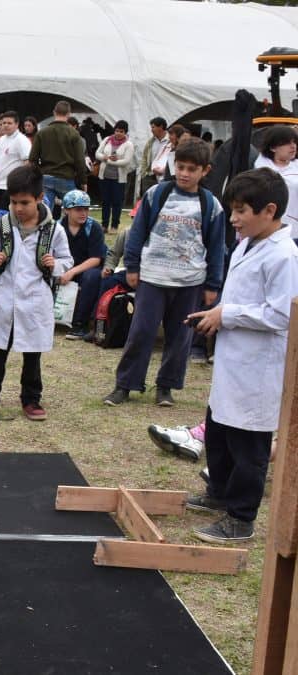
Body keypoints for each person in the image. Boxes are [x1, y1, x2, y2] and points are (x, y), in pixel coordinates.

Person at [184, 167, 298, 542]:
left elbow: (283, 314)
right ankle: (218, 493)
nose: (233, 218)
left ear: (269, 210)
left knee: (249, 446)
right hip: (234, 359)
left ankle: (241, 517)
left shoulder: (284, 256)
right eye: (232, 209)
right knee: (218, 433)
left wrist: (227, 315)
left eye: (240, 210)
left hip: (259, 365)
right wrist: (214, 316)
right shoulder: (249, 242)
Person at [104, 138, 226, 407]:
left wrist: (213, 285)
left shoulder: (211, 205)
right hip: (153, 278)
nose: (184, 173)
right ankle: (125, 384)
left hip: (190, 282)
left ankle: (166, 387)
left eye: (191, 169)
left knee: (180, 338)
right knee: (141, 332)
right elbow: (137, 232)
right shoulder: (156, 194)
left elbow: (217, 247)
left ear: (205, 171)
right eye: (180, 166)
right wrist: (132, 266)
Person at [0, 165, 73, 422]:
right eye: (14, 202)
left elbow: (67, 260)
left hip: (34, 300)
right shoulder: (2, 226)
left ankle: (31, 398)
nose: (18, 208)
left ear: (40, 198)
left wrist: (56, 265)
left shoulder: (54, 231)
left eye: (25, 202)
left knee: (32, 355)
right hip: (3, 299)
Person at [56, 190, 106, 340]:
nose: (83, 213)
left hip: (86, 269)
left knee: (92, 277)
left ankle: (80, 324)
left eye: (86, 209)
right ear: (66, 210)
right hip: (62, 266)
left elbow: (96, 258)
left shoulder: (94, 227)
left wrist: (72, 272)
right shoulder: (57, 227)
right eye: (78, 209)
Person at [29, 101, 87, 220]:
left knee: (44, 213)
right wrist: (83, 182)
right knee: (72, 212)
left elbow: (32, 159)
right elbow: (80, 161)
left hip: (46, 177)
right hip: (66, 177)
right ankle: (66, 234)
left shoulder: (42, 133)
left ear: (54, 112)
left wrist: (37, 176)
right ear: (69, 114)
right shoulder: (74, 134)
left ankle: (44, 235)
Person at [253, 125, 298, 228]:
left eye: (294, 142)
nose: (293, 146)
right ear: (273, 147)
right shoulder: (259, 169)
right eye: (287, 143)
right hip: (269, 228)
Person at [0, 110, 32, 211]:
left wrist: (22, 182)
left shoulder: (22, 140)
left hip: (9, 187)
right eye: (4, 123)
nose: (6, 125)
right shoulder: (1, 139)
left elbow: (27, 163)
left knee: (5, 216)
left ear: (17, 124)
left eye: (9, 123)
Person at [95, 120, 135, 232]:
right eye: (117, 130)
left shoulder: (129, 144)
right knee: (105, 201)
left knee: (117, 202)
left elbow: (126, 161)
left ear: (125, 133)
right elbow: (97, 153)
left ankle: (114, 226)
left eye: (121, 131)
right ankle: (104, 225)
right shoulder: (107, 139)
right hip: (104, 176)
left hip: (119, 179)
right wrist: (105, 158)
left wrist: (110, 162)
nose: (118, 133)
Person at [140, 117, 168, 197]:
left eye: (153, 127)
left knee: (160, 198)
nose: (151, 130)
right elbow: (144, 157)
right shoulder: (150, 141)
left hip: (163, 176)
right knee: (147, 198)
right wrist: (144, 172)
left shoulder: (170, 141)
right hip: (149, 175)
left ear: (161, 127)